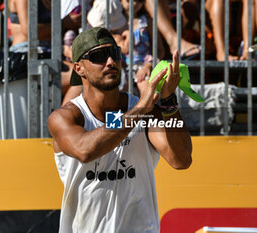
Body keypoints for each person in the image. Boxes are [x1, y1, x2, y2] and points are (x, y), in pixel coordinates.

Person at [48, 27, 192, 233]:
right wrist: (141, 108)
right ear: (79, 68)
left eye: (114, 54)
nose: (110, 62)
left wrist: (168, 102)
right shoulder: (65, 116)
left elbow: (181, 160)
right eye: (98, 56)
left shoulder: (146, 111)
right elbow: (85, 150)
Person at [118, 0, 165, 90]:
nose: (134, 3)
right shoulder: (115, 24)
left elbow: (160, 50)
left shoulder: (146, 22)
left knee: (148, 90)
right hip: (122, 68)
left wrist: (148, 65)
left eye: (139, 0)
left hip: (143, 66)